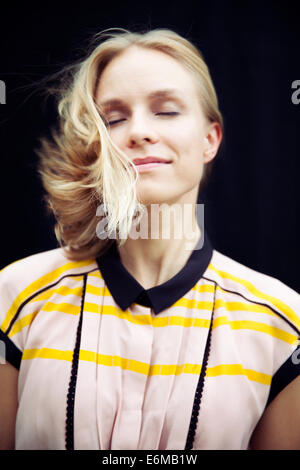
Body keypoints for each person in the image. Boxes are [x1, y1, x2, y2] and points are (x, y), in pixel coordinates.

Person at [0, 28, 299, 451]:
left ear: (210, 140)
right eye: (114, 118)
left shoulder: (282, 325)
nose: (138, 131)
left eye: (167, 111)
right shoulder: (14, 297)